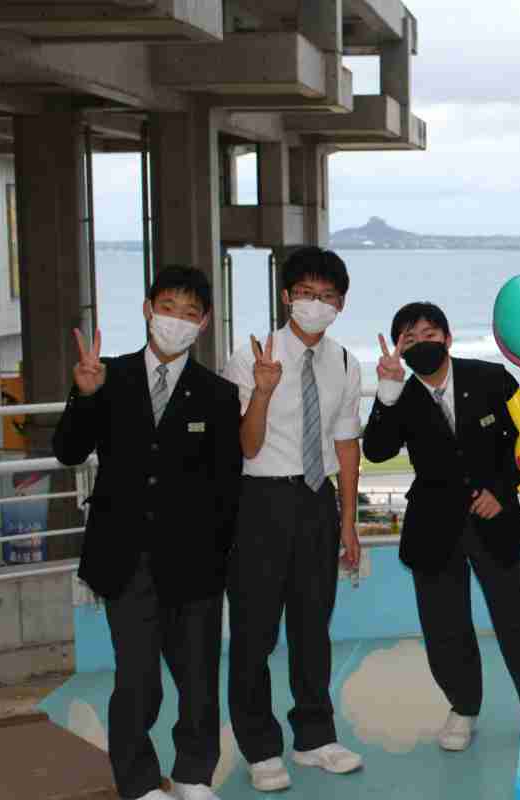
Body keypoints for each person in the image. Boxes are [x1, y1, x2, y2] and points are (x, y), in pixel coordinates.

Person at [53, 266, 242, 800]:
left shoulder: (218, 394)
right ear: (147, 309)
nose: (176, 320)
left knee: (199, 677)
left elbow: (227, 485)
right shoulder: (106, 376)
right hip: (124, 557)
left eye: (189, 312)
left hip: (195, 562)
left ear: (204, 322)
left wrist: (221, 558)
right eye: (167, 307)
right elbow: (68, 451)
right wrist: (84, 395)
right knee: (137, 680)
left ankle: (193, 774)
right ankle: (138, 782)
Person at [361, 301, 520, 752]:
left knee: (516, 619)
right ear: (399, 348)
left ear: (448, 338)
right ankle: (463, 707)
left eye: (429, 334)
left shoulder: (492, 378)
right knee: (444, 625)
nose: (421, 344)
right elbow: (376, 451)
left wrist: (502, 490)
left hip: (494, 518)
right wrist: (385, 391)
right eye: (409, 339)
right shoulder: (399, 394)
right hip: (434, 526)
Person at [222, 247, 364, 792]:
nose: (316, 304)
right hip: (260, 500)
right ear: (286, 296)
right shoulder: (251, 355)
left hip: (316, 502)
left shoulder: (345, 362)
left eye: (327, 296)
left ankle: (315, 737)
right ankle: (260, 747)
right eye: (306, 293)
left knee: (312, 628)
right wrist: (262, 391)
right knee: (254, 633)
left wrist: (347, 521)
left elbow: (345, 444)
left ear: (341, 304)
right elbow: (246, 444)